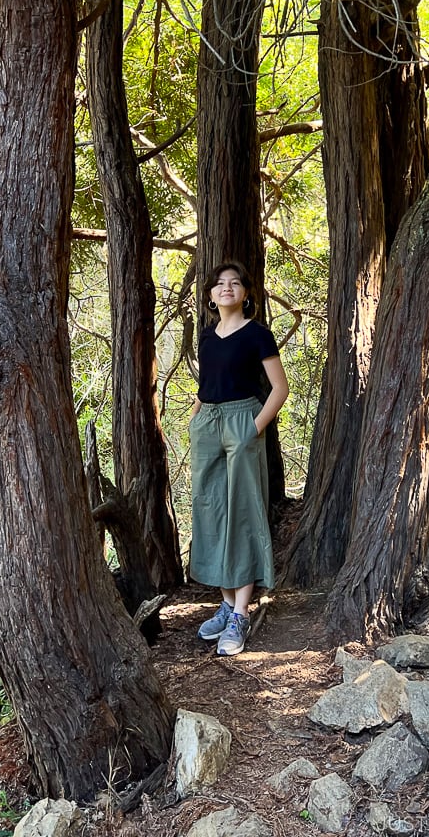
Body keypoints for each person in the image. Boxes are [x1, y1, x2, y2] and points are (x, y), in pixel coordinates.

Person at [189, 261, 289, 656]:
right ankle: (227, 602)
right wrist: (195, 418)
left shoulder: (257, 335)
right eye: (219, 284)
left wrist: (253, 428)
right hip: (209, 424)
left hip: (242, 421)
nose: (226, 288)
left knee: (242, 512)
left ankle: (241, 614)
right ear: (211, 295)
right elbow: (206, 385)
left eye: (235, 283)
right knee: (211, 510)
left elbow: (279, 389)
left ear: (246, 294)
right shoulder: (208, 337)